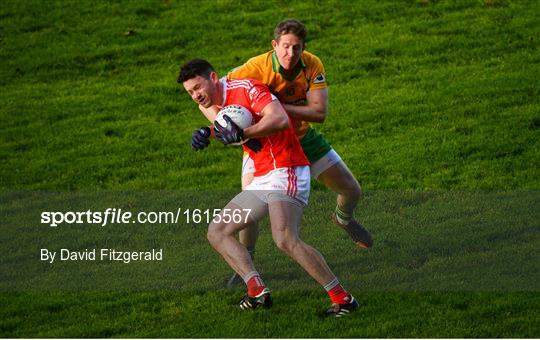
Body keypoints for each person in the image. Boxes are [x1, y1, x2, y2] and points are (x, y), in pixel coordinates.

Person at [198, 19, 373, 287]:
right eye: (286, 47)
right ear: (275, 45)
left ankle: (343, 219)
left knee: (352, 190)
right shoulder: (254, 68)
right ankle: (246, 263)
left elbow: (319, 113)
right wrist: (226, 130)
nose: (291, 54)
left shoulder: (312, 65)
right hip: (266, 144)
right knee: (247, 212)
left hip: (303, 139)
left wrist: (274, 106)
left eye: (297, 48)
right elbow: (211, 95)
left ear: (304, 48)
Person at [178, 58, 359, 317]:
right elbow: (230, 127)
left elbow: (279, 119)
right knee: (217, 231)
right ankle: (257, 292)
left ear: (213, 77)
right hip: (264, 175)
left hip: (287, 168)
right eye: (190, 92)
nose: (196, 95)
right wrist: (208, 133)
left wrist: (245, 134)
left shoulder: (247, 88)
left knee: (285, 239)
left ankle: (343, 300)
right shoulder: (215, 103)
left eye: (197, 87)